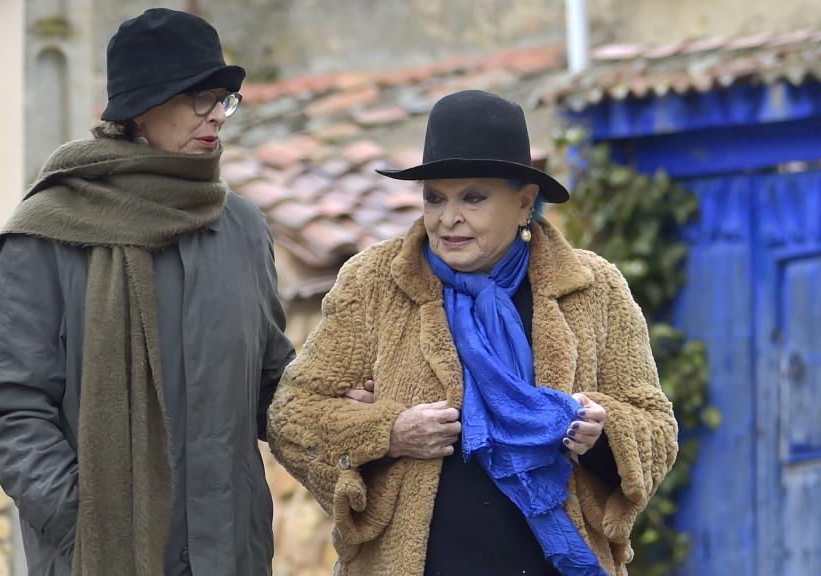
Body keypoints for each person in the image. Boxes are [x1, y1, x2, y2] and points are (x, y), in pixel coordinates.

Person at [267, 90, 678, 576]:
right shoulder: (375, 283)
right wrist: (389, 432)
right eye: (434, 198)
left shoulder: (593, 289)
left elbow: (657, 427)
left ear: (525, 203)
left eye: (473, 198)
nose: (447, 218)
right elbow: (291, 417)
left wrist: (603, 433)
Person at [0, 9, 294, 576]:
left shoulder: (241, 228)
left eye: (223, 98)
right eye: (199, 96)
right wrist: (87, 522)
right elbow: (9, 409)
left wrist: (336, 399)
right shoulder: (46, 235)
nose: (217, 113)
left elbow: (268, 381)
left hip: (232, 557)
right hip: (98, 557)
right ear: (142, 106)